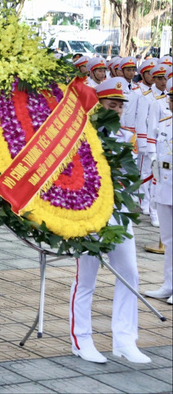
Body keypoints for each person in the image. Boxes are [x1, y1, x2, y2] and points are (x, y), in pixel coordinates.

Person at [69, 77, 151, 365]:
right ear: (97, 105)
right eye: (110, 104)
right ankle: (82, 339)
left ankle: (125, 340)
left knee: (130, 275)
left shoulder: (123, 137)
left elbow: (129, 177)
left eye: (119, 106)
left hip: (118, 214)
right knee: (86, 280)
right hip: (89, 214)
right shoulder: (81, 135)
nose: (116, 110)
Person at [144, 79, 172, 304]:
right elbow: (157, 157)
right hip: (164, 186)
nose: (171, 102)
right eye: (171, 99)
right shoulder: (164, 124)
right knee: (168, 238)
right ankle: (168, 285)